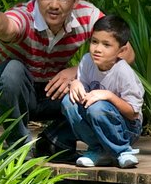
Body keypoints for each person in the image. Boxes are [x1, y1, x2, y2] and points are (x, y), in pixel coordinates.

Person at [0, 0, 132, 153]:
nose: (54, 5)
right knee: (13, 70)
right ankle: (19, 146)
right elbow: (9, 26)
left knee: (98, 84)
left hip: (48, 92)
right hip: (2, 95)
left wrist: (76, 71)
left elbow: (126, 53)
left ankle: (56, 140)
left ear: (75, 1)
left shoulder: (88, 15)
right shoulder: (25, 16)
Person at [60, 15, 145, 168]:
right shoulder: (87, 61)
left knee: (97, 106)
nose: (97, 49)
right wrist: (75, 83)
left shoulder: (123, 71)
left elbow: (133, 114)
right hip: (97, 120)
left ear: (121, 50)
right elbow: (84, 96)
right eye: (94, 42)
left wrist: (109, 96)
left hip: (127, 129)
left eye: (106, 45)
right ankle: (98, 149)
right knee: (69, 101)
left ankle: (122, 151)